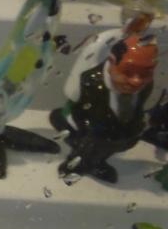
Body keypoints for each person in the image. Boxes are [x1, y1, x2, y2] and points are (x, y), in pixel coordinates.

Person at [53, 34, 158, 183]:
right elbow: (81, 112)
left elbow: (138, 106)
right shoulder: (92, 82)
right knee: (93, 145)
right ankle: (74, 166)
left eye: (145, 73)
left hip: (120, 130)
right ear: (112, 61)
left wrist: (135, 126)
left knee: (115, 144)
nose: (136, 81)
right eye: (127, 71)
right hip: (91, 130)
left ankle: (98, 160)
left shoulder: (146, 85)